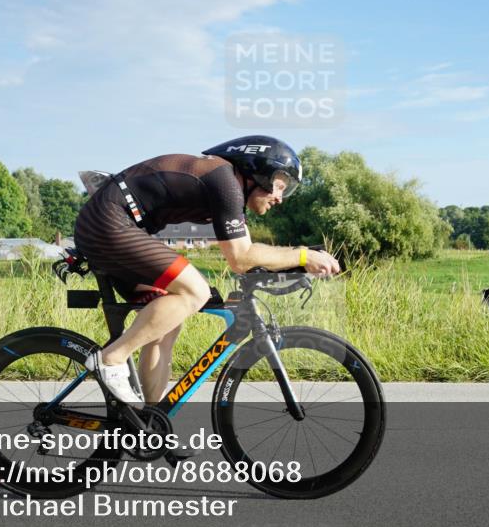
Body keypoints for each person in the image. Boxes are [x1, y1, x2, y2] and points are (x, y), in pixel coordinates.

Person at [74, 135, 341, 406]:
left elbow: (249, 254)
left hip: (116, 225)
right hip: (108, 223)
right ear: (259, 173)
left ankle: (149, 424)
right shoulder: (225, 183)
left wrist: (296, 262)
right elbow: (241, 258)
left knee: (165, 324)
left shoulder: (227, 188)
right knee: (195, 290)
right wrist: (303, 255)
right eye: (279, 187)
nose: (280, 198)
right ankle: (111, 359)